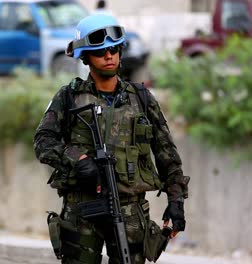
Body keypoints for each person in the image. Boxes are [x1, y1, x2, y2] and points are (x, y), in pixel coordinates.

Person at [34, 14, 189, 264]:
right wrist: (78, 159)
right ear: (85, 57)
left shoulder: (141, 98)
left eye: (114, 49)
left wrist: (176, 200)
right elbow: (43, 141)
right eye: (101, 52)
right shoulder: (69, 97)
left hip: (129, 209)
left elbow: (167, 155)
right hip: (82, 209)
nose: (109, 56)